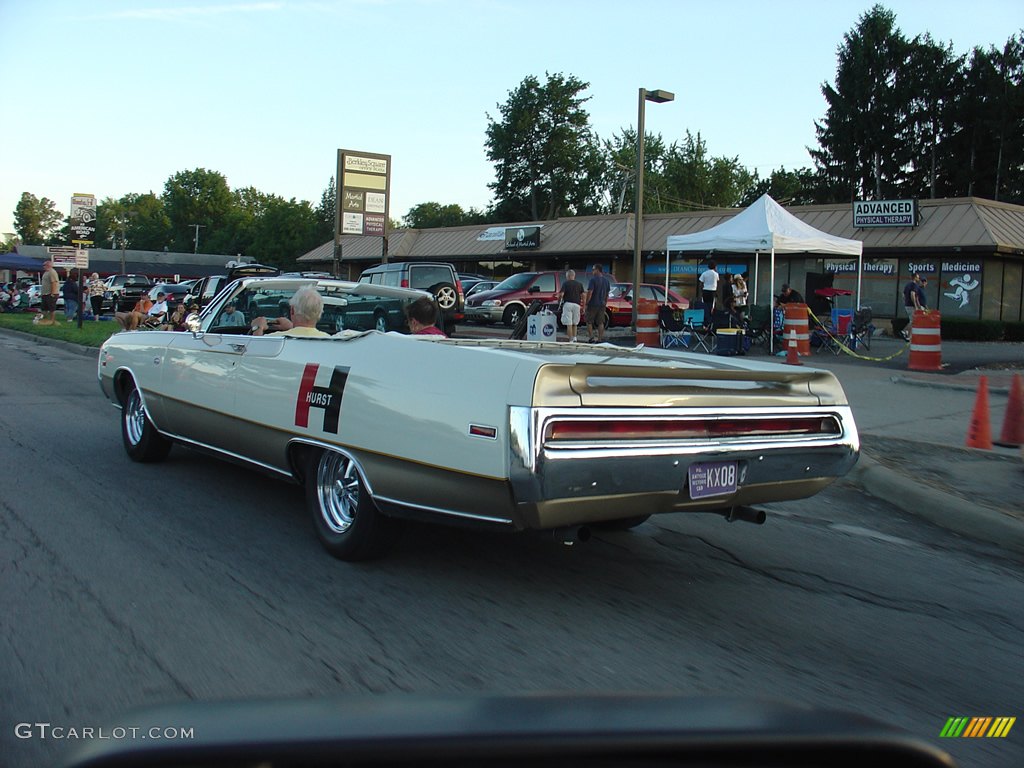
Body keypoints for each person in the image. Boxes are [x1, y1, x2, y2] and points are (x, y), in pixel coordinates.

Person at [251, 285, 329, 337]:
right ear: (320, 312)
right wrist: (291, 327)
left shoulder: (276, 339)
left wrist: (258, 328)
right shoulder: (328, 340)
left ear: (292, 310)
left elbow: (255, 352)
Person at [584, 264, 611, 343]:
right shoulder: (606, 281)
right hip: (602, 304)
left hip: (592, 304)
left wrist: (587, 302)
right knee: (600, 322)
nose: (592, 271)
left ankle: (591, 337)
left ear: (597, 270)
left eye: (593, 269)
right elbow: (607, 293)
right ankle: (600, 339)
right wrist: (605, 302)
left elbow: (590, 292)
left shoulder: (593, 280)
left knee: (589, 321)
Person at [558, 268, 584, 342]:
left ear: (568, 276)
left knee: (569, 323)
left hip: (568, 304)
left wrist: (559, 301)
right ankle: (575, 337)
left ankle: (570, 340)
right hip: (577, 304)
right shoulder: (579, 284)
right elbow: (583, 295)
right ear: (574, 276)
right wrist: (584, 306)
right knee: (575, 323)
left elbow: (561, 294)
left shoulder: (565, 283)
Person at [39, 259, 60, 325]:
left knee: (51, 308)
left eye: (44, 265)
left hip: (50, 294)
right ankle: (44, 320)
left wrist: (53, 293)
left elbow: (54, 283)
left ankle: (52, 320)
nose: (43, 266)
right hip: (45, 293)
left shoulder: (52, 272)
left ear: (48, 265)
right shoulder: (46, 272)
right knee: (44, 308)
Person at [901, 273, 922, 340]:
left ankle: (907, 334)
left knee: (912, 320)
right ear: (915, 278)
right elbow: (912, 294)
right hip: (911, 305)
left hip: (907, 305)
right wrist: (915, 305)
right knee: (913, 321)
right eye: (918, 277)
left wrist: (905, 302)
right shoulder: (914, 285)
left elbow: (903, 295)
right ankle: (905, 332)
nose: (919, 279)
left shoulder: (907, 285)